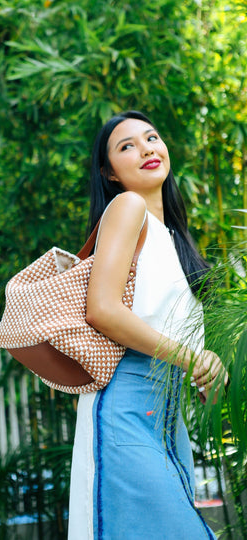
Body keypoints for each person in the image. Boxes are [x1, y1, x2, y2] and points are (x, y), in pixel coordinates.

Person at [67, 111, 227, 539]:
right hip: (124, 407)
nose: (146, 149)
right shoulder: (128, 206)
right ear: (109, 172)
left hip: (166, 422)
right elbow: (102, 309)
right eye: (127, 146)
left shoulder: (175, 240)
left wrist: (207, 371)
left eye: (152, 137)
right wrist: (191, 356)